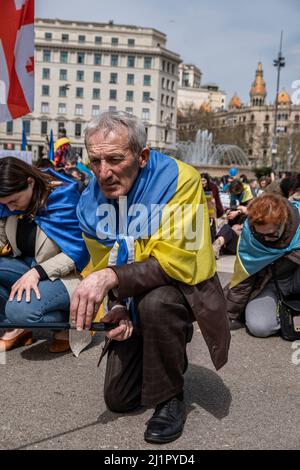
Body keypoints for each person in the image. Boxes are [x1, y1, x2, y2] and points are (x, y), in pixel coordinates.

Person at [71, 111, 230, 444]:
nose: (103, 173)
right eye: (95, 161)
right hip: (129, 290)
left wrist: (110, 279)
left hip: (180, 289)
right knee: (119, 399)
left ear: (142, 156)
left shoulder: (180, 179)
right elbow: (101, 264)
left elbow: (177, 262)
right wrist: (116, 306)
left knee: (157, 303)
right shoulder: (90, 200)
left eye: (115, 159)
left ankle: (170, 398)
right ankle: (158, 347)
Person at [0, 157, 89, 354]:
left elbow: (79, 252)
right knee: (16, 310)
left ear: (30, 182)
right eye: (6, 204)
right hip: (25, 268)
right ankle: (15, 326)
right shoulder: (8, 202)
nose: (11, 208)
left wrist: (37, 272)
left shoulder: (65, 198)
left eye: (14, 201)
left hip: (63, 276)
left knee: (18, 311)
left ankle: (67, 321)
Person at [226, 193, 300, 335]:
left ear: (284, 221)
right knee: (259, 326)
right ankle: (285, 316)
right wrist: (227, 316)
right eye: (261, 235)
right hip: (270, 283)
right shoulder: (250, 235)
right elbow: (244, 278)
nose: (266, 239)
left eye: (272, 234)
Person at [212, 180, 253, 259]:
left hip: (241, 241)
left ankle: (216, 246)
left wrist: (241, 226)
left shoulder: (251, 203)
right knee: (226, 227)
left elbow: (252, 214)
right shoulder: (236, 202)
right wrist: (231, 213)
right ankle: (216, 246)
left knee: (228, 228)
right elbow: (231, 208)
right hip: (230, 240)